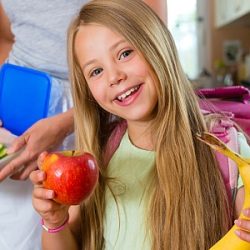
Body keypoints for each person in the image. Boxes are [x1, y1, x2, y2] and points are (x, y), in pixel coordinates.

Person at [30, 0, 250, 249]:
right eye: (96, 71)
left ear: (157, 45)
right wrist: (54, 220)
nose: (114, 76)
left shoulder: (226, 149)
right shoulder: (99, 156)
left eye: (125, 54)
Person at [0, 1, 165, 250]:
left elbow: (149, 29)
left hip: (92, 107)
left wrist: (68, 122)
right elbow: (6, 38)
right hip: (18, 102)